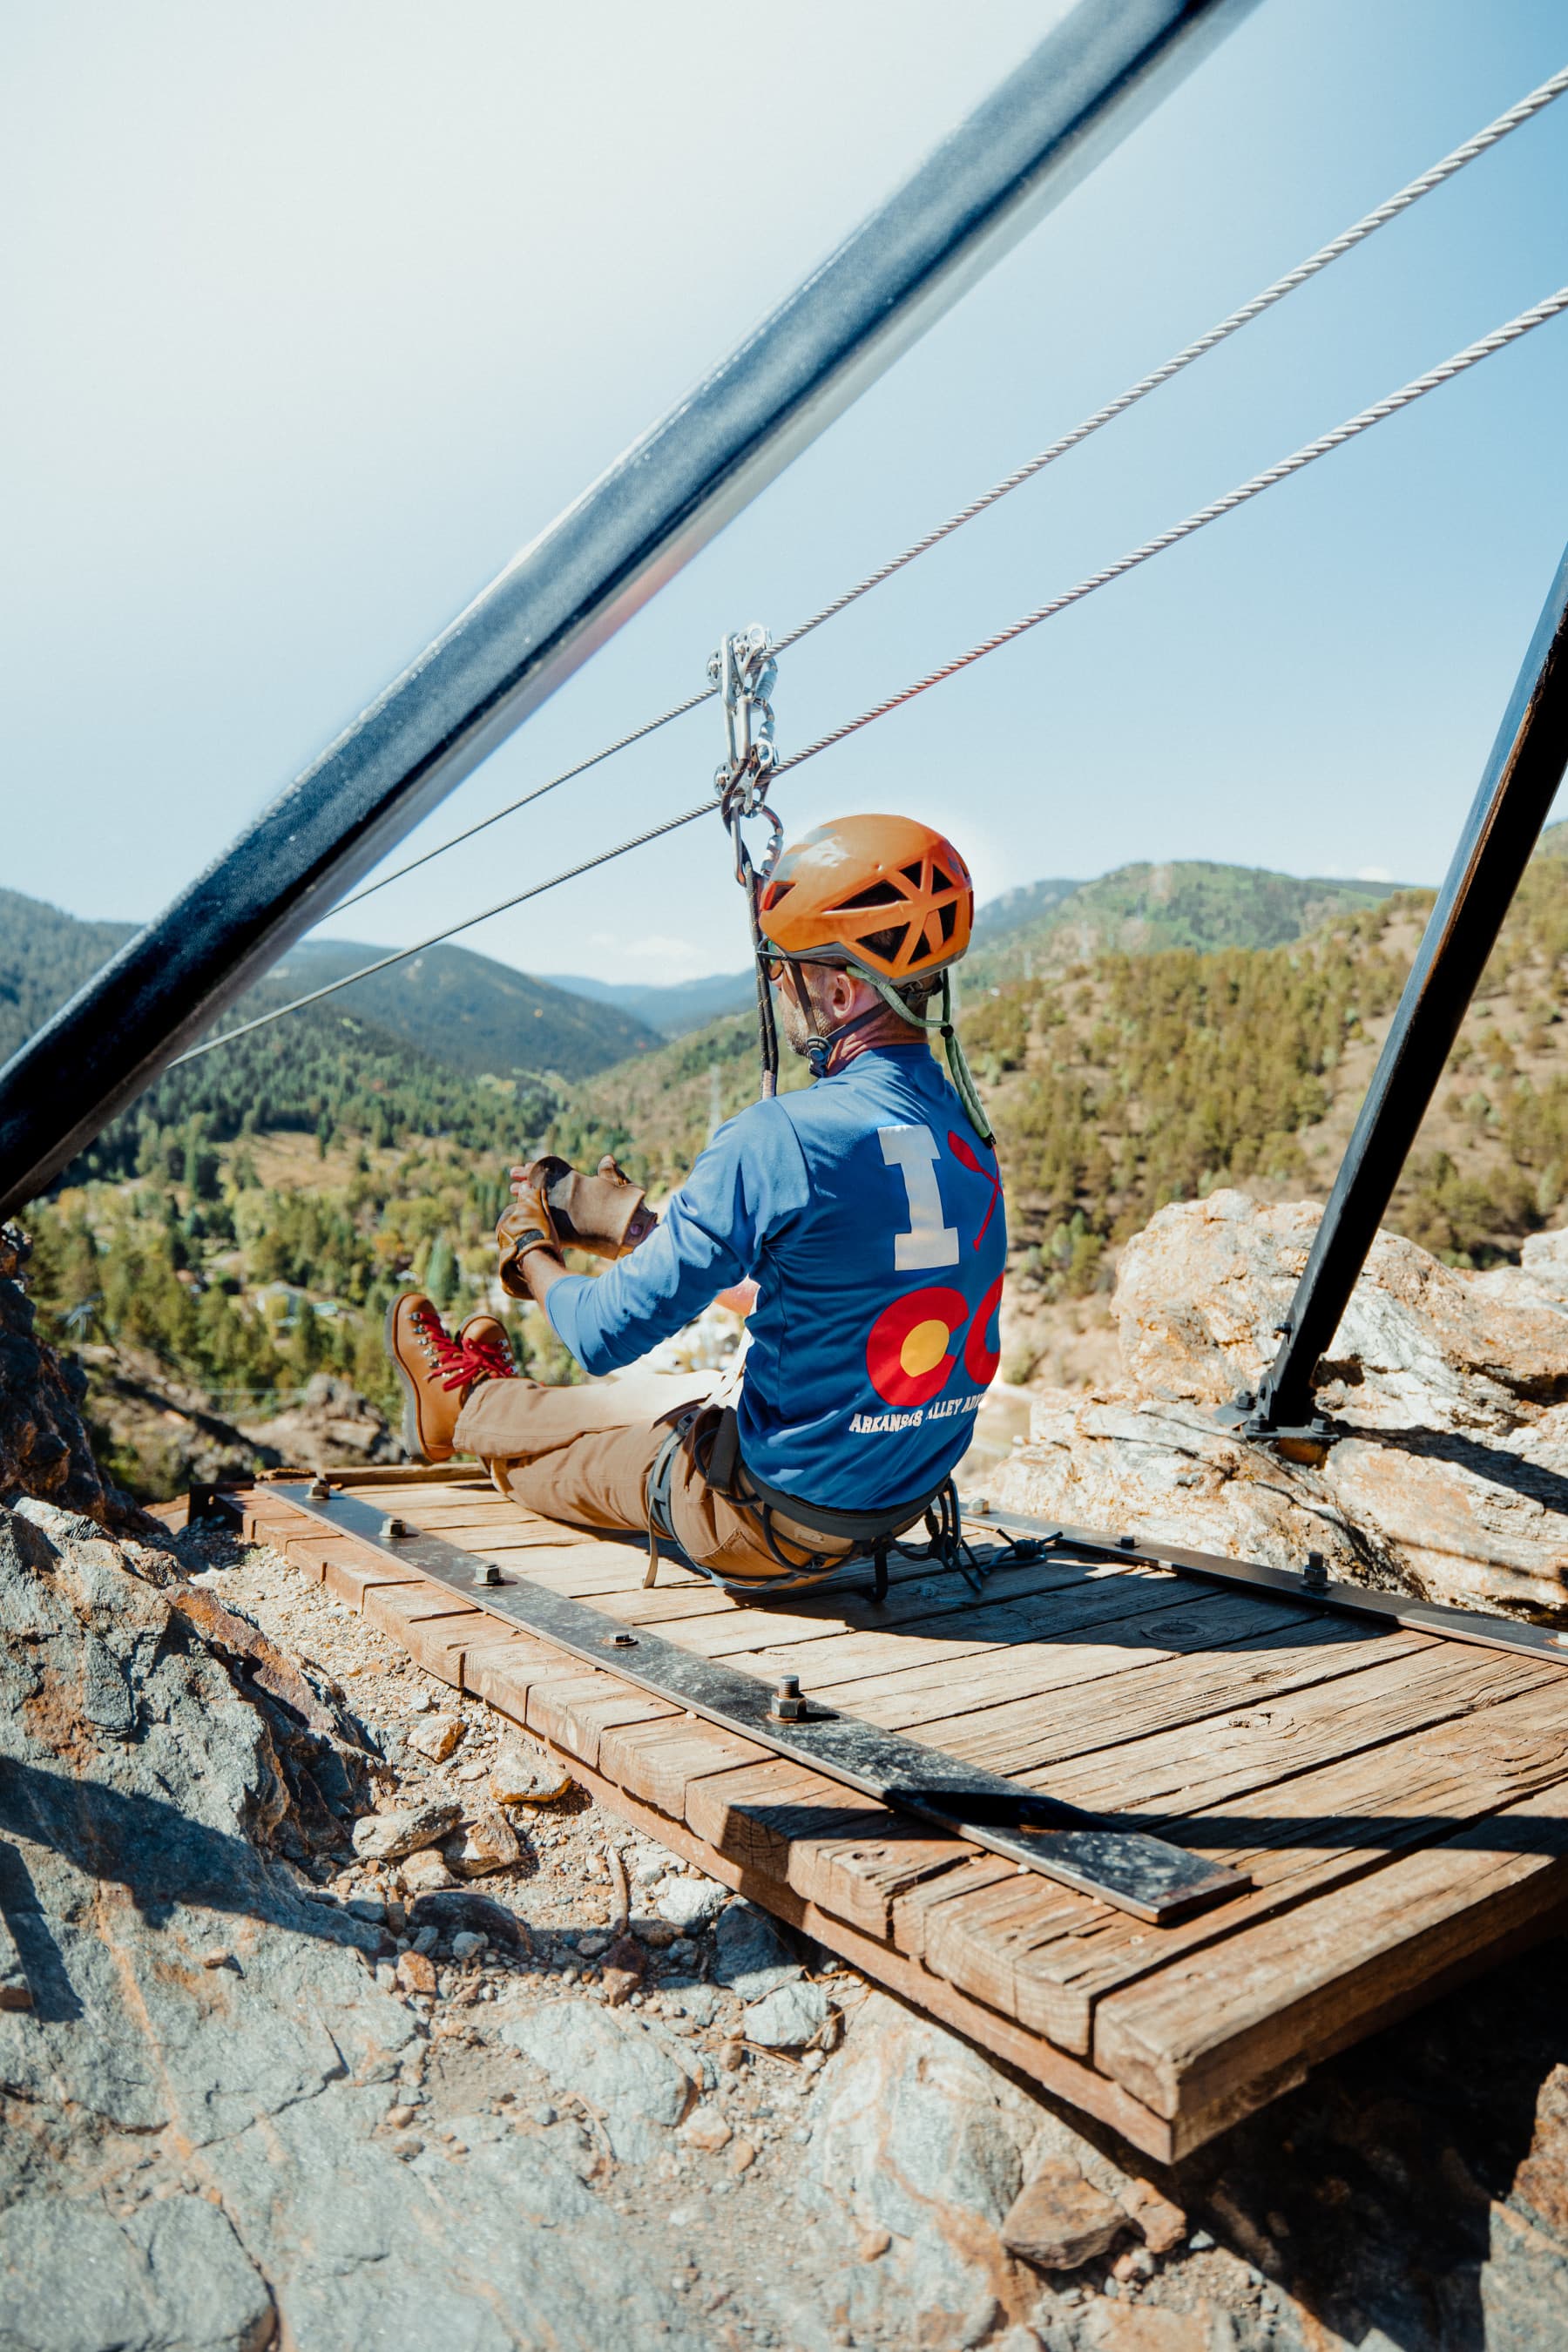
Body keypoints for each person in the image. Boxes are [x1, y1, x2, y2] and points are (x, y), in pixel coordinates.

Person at [384, 813, 1006, 1596]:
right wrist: (650, 1236)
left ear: (840, 990)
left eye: (784, 976)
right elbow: (832, 1283)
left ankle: (468, 1406)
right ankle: (478, 1405)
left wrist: (530, 1251)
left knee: (588, 1452)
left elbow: (598, 1332)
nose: (782, 994)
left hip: (769, 1523)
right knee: (651, 1402)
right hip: (892, 1503)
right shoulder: (966, 1132)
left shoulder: (782, 1136)